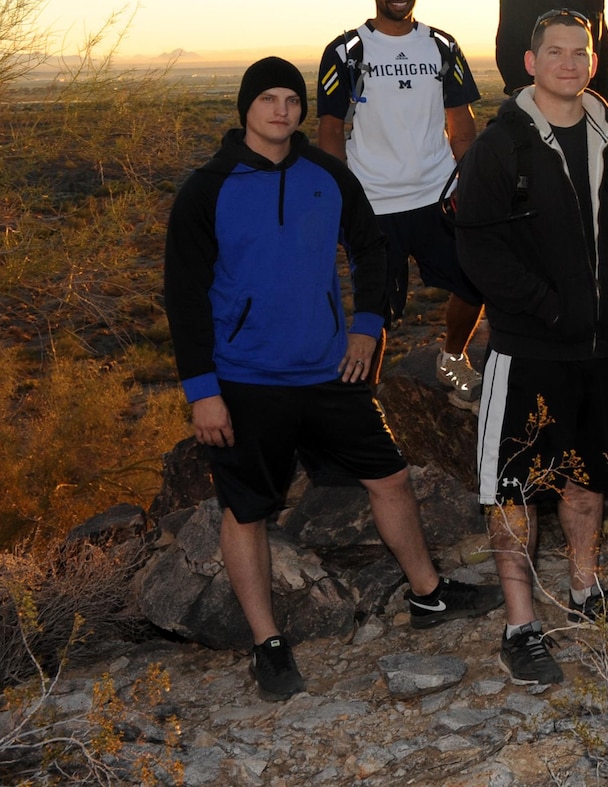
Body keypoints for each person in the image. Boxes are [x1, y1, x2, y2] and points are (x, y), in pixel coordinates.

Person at [164, 58, 502, 701]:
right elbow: (182, 296)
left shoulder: (328, 175)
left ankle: (428, 595)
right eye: (269, 99)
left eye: (293, 99)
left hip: (328, 370)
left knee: (391, 476)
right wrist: (202, 391)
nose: (283, 111)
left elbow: (372, 247)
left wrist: (366, 325)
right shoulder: (208, 189)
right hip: (246, 380)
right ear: (246, 108)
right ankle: (267, 644)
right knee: (248, 511)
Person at [453, 10, 608, 686]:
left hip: (602, 348)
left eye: (581, 52)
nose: (570, 63)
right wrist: (546, 304)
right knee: (512, 487)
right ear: (530, 62)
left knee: (589, 477)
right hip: (529, 348)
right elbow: (475, 241)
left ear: (592, 62)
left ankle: (585, 588)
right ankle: (521, 624)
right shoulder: (502, 143)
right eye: (556, 52)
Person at [316, 0, 487, 409]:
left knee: (476, 282)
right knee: (376, 310)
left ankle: (451, 358)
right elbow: (330, 131)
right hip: (374, 204)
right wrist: (344, 199)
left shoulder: (442, 45)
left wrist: (467, 188)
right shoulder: (346, 51)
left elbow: (461, 124)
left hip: (437, 196)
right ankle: (365, 409)